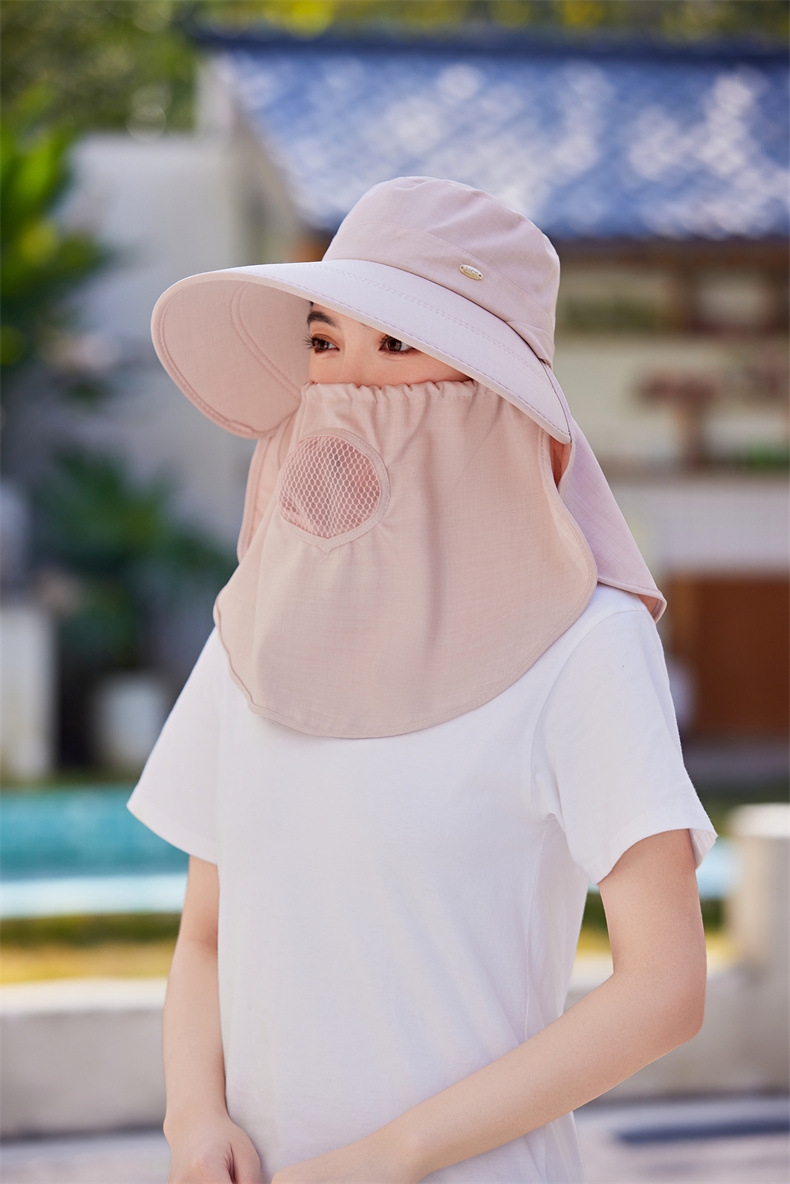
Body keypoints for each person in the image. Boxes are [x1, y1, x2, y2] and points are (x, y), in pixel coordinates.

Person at [126, 176, 717, 1184]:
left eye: (398, 344)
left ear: (495, 385)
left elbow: (664, 990)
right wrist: (195, 1122)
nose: (349, 385)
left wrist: (386, 1159)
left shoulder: (587, 644)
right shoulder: (255, 630)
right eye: (324, 342)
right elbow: (209, 937)